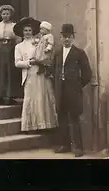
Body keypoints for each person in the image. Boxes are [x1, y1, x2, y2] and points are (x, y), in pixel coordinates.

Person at [52, 23, 92, 157]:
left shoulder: (79, 53)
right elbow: (53, 70)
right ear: (60, 37)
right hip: (60, 91)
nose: (66, 39)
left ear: (73, 37)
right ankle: (64, 145)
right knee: (61, 118)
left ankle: (78, 148)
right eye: (64, 37)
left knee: (74, 118)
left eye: (69, 37)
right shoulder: (57, 52)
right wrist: (56, 85)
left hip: (73, 91)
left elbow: (87, 74)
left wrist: (76, 85)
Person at [14, 17, 58, 133]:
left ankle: (45, 125)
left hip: (41, 72)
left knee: (43, 97)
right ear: (22, 33)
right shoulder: (19, 46)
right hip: (29, 73)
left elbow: (46, 53)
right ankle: (31, 126)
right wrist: (29, 62)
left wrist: (43, 60)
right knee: (31, 98)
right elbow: (17, 63)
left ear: (33, 31)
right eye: (25, 31)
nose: (28, 33)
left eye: (29, 30)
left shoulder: (39, 41)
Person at [0, 5, 22, 105]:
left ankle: (10, 95)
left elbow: (18, 39)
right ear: (0, 15)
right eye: (3, 14)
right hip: (0, 49)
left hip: (11, 49)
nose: (5, 16)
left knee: (9, 71)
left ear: (10, 14)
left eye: (7, 14)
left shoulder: (15, 26)